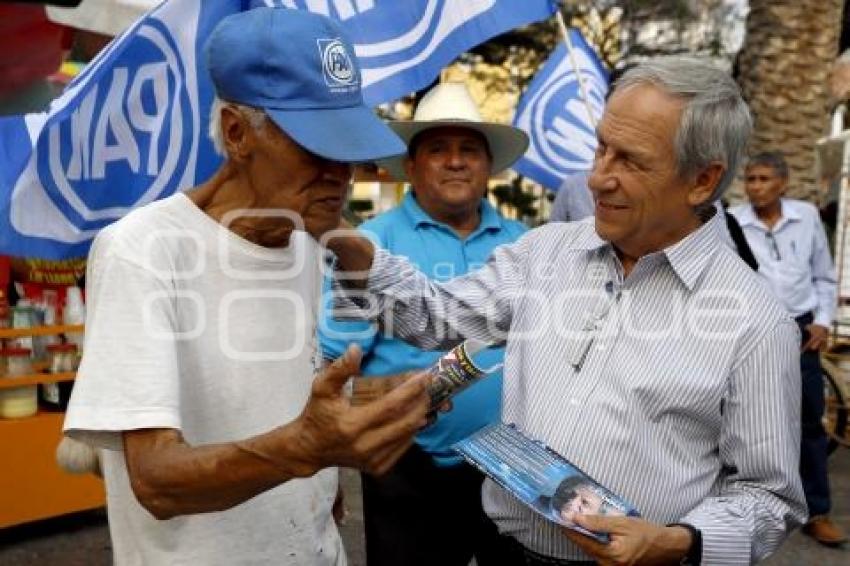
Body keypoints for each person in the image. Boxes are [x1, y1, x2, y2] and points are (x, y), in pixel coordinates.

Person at [324, 56, 806, 565]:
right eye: (601, 148)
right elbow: (435, 315)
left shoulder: (756, 322)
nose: (598, 179)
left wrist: (676, 541)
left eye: (630, 161)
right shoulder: (545, 251)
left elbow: (768, 498)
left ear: (702, 181)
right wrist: (344, 237)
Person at [62, 8, 433, 565]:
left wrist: (322, 480)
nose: (341, 172)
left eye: (349, 149)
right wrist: (306, 450)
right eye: (316, 147)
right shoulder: (143, 251)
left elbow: (281, 398)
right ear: (237, 133)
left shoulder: (305, 241)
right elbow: (156, 482)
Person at [319, 82, 528, 566]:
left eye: (469, 150)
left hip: (512, 467)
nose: (456, 161)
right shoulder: (368, 246)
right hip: (404, 466)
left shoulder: (524, 245)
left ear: (488, 165)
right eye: (438, 149)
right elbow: (335, 363)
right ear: (411, 166)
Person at [730, 152, 846, 546]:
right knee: (743, 421)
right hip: (750, 334)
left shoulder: (807, 217)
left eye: (764, 179)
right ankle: (740, 508)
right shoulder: (733, 221)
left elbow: (824, 275)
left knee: (810, 421)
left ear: (783, 183)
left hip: (800, 333)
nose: (755, 187)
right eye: (751, 179)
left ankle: (817, 511)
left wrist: (822, 322)